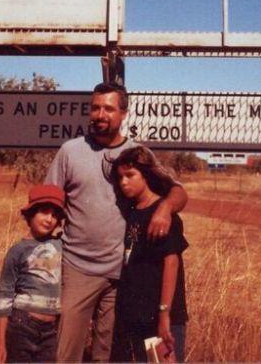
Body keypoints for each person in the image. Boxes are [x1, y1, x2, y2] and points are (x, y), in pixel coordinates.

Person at [45, 82, 188, 362]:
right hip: (78, 268)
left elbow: (178, 191)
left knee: (108, 354)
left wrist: (165, 210)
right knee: (65, 353)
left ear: (123, 113)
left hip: (122, 275)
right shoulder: (70, 151)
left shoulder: (136, 155)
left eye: (108, 109)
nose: (100, 115)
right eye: (95, 108)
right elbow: (48, 201)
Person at [110, 146, 188, 362]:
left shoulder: (163, 216)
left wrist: (164, 314)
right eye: (120, 177)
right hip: (136, 315)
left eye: (130, 175)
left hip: (162, 317)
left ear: (146, 175)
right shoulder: (133, 212)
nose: (124, 182)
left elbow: (171, 264)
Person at [0, 184, 66, 363]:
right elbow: (4, 296)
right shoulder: (18, 250)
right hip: (22, 326)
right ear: (30, 214)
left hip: (50, 331)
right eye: (44, 212)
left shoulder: (61, 245)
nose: (49, 219)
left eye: (55, 215)